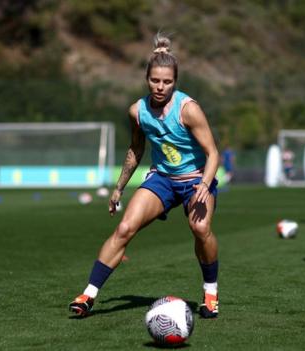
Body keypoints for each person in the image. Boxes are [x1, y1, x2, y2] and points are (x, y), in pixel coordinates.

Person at [68, 34, 220, 319]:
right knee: (125, 228)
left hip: (195, 179)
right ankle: (88, 295)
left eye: (167, 82)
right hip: (162, 178)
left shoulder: (189, 110)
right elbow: (136, 149)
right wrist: (118, 189)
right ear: (147, 79)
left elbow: (213, 152)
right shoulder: (137, 111)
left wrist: (204, 184)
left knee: (200, 230)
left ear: (175, 82)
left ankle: (210, 292)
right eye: (155, 81)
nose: (160, 87)